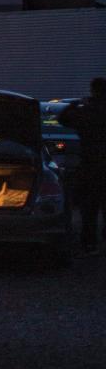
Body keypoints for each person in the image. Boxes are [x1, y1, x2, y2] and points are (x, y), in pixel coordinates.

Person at [61, 78, 106, 254]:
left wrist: (76, 104)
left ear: (93, 90)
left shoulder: (87, 111)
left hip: (90, 164)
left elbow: (63, 119)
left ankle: (89, 242)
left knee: (89, 207)